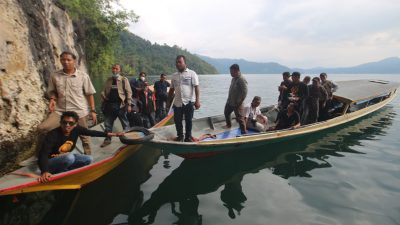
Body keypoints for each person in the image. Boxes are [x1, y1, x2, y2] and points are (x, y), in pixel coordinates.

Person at [37, 51, 97, 155]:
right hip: (61, 111)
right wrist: (52, 99)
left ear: (74, 61)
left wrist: (93, 110)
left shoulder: (83, 76)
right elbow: (53, 92)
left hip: (79, 111)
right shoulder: (55, 76)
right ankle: (41, 154)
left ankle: (88, 156)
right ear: (60, 61)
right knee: (42, 128)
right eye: (63, 60)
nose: (66, 62)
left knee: (85, 137)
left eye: (68, 60)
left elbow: (90, 94)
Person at [38, 111, 124, 183]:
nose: (67, 125)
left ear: (75, 124)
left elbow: (92, 133)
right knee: (69, 158)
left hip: (64, 158)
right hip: (51, 163)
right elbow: (43, 154)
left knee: (88, 159)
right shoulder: (53, 135)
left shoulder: (76, 129)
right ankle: (58, 173)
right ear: (60, 123)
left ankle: (66, 172)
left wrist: (112, 134)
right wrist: (44, 171)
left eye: (71, 123)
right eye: (64, 122)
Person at [167, 55, 200, 142]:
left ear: (185, 63)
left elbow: (196, 87)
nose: (178, 64)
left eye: (180, 62)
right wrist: (168, 101)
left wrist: (197, 101)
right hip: (177, 103)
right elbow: (171, 89)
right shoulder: (174, 76)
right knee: (177, 121)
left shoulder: (192, 73)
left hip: (189, 102)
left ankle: (188, 137)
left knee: (188, 120)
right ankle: (180, 136)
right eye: (176, 62)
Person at [100, 64, 132, 147]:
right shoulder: (109, 80)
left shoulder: (124, 80)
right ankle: (107, 139)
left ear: (120, 70)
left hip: (120, 105)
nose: (114, 70)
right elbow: (104, 90)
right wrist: (103, 95)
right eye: (113, 68)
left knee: (125, 123)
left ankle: (128, 138)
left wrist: (129, 105)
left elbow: (129, 92)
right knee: (107, 124)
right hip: (109, 105)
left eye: (116, 69)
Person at [224, 64, 248, 134]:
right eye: (230, 72)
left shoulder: (241, 79)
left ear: (237, 71)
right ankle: (229, 125)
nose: (231, 74)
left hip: (238, 103)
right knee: (226, 112)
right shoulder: (233, 78)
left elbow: (245, 92)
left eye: (232, 72)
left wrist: (240, 102)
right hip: (230, 101)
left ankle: (244, 132)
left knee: (240, 118)